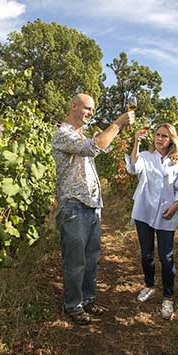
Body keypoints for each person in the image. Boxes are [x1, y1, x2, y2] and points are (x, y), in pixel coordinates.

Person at [52, 93, 134, 325]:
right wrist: (117, 123)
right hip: (75, 207)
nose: (90, 113)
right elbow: (95, 146)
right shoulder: (63, 134)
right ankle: (73, 306)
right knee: (75, 261)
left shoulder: (80, 135)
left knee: (90, 259)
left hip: (92, 206)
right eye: (87, 108)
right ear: (74, 106)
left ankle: (88, 300)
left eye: (92, 110)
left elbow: (101, 145)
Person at [126, 123, 178, 320]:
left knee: (166, 256)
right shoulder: (145, 156)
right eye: (157, 135)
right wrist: (136, 141)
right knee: (146, 254)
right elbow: (133, 168)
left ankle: (168, 297)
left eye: (164, 136)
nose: (159, 139)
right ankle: (150, 286)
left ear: (172, 140)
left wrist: (176, 206)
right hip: (144, 211)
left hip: (166, 214)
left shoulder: (177, 162)